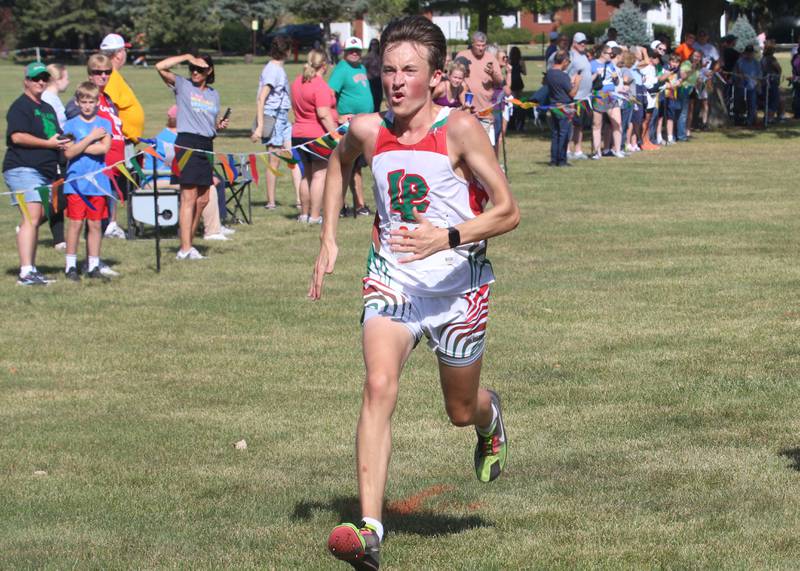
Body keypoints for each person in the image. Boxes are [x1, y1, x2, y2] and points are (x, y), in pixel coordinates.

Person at [313, 15, 519, 570]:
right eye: (389, 70)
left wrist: (446, 236)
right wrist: (330, 237)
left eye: (409, 71)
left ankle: (489, 418)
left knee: (459, 409)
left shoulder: (459, 130)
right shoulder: (365, 128)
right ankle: (370, 529)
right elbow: (337, 165)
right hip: (393, 279)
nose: (397, 81)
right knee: (378, 384)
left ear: (433, 78)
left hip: (459, 288)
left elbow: (508, 211)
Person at [155, 53, 229, 260]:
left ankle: (188, 243)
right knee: (188, 197)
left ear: (210, 71)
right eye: (192, 68)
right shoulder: (183, 85)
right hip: (187, 143)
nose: (195, 72)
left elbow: (209, 125)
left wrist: (218, 126)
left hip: (206, 145)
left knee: (203, 198)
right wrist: (187, 56)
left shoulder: (214, 95)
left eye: (200, 69)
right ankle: (185, 249)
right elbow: (159, 66)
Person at [3, 62, 69, 285]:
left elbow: (56, 137)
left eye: (44, 78)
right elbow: (17, 137)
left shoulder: (47, 108)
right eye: (35, 78)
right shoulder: (20, 107)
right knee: (32, 217)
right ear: (26, 81)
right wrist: (48, 144)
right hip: (22, 167)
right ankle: (26, 272)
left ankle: (31, 268)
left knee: (35, 216)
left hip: (46, 171)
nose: (40, 82)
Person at [61, 82, 113, 282]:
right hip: (76, 182)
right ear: (77, 102)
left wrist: (79, 146)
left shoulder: (104, 124)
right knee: (75, 223)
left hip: (98, 182)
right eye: (83, 102)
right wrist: (91, 138)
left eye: (91, 102)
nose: (87, 106)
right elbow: (68, 153)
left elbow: (104, 149)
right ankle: (71, 265)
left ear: (97, 102)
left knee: (95, 224)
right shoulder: (71, 124)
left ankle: (93, 265)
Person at [101, 33, 145, 237]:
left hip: (126, 139)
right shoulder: (110, 77)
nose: (126, 53)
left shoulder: (115, 75)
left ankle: (114, 222)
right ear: (118, 54)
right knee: (114, 180)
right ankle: (110, 223)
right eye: (124, 50)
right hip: (119, 139)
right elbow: (109, 107)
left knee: (121, 180)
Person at [292, 49, 339, 224]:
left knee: (306, 175)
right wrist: (336, 136)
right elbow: (323, 114)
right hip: (317, 136)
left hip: (298, 134)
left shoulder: (296, 82)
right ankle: (314, 216)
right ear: (324, 65)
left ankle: (304, 214)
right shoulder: (320, 86)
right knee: (320, 175)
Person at [329, 36, 374, 217]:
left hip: (363, 124)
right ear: (345, 52)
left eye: (357, 50)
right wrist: (337, 116)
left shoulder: (361, 67)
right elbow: (329, 94)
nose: (355, 54)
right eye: (351, 51)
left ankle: (358, 204)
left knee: (357, 166)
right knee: (348, 165)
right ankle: (345, 205)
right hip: (348, 126)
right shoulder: (341, 69)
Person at [251, 35, 292, 210]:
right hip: (273, 117)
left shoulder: (277, 69)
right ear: (287, 51)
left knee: (292, 156)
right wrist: (260, 126)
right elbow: (261, 99)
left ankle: (300, 200)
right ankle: (271, 202)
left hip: (283, 117)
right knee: (273, 159)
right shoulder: (273, 70)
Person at [456, 31, 504, 145]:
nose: (481, 48)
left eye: (483, 45)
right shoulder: (462, 56)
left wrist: (492, 74)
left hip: (485, 112)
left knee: (486, 146)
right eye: (478, 45)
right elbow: (454, 77)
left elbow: (499, 84)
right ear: (472, 44)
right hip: (466, 111)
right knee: (467, 146)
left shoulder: (491, 58)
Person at [42, 63, 70, 250]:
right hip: (54, 153)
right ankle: (29, 224)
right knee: (59, 197)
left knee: (59, 196)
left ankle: (59, 240)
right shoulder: (48, 99)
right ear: (58, 79)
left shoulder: (54, 98)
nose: (68, 81)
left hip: (62, 151)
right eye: (66, 77)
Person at [545, 51, 580, 166]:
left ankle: (554, 160)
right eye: (568, 62)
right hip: (565, 107)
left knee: (556, 133)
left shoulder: (549, 73)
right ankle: (561, 160)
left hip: (553, 105)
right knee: (564, 134)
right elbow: (572, 94)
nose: (568, 64)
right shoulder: (562, 75)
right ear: (564, 61)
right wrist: (577, 82)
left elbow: (560, 87)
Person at [590, 43, 624, 159]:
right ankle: (597, 152)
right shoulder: (592, 64)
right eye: (610, 53)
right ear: (602, 54)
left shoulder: (611, 65)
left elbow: (617, 82)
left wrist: (615, 78)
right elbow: (587, 81)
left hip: (611, 96)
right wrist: (596, 74)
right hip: (599, 95)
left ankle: (618, 150)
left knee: (617, 123)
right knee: (597, 124)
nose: (612, 55)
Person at [567, 32, 592, 160]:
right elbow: (565, 73)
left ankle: (578, 150)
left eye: (584, 42)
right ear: (574, 43)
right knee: (570, 123)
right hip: (574, 96)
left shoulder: (583, 55)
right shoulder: (570, 56)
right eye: (581, 42)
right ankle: (566, 149)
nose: (583, 44)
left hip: (585, 96)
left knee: (580, 124)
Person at [734, 45, 761, 126]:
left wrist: (758, 84)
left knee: (752, 104)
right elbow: (735, 73)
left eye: (751, 53)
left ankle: (749, 121)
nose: (749, 54)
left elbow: (759, 75)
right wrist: (739, 77)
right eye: (747, 53)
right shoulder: (740, 62)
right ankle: (738, 120)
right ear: (745, 53)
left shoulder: (756, 63)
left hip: (752, 87)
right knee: (739, 103)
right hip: (741, 86)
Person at [508, 46, 526, 131]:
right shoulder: (520, 61)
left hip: (512, 83)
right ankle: (520, 122)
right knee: (519, 104)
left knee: (512, 104)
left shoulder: (509, 61)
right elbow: (525, 72)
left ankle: (512, 123)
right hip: (519, 83)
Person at [362, 39, 383, 112]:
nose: (374, 46)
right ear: (370, 45)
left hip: (379, 83)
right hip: (370, 83)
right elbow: (362, 71)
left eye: (376, 44)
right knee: (371, 103)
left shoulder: (381, 57)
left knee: (378, 103)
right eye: (373, 44)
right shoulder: (366, 58)